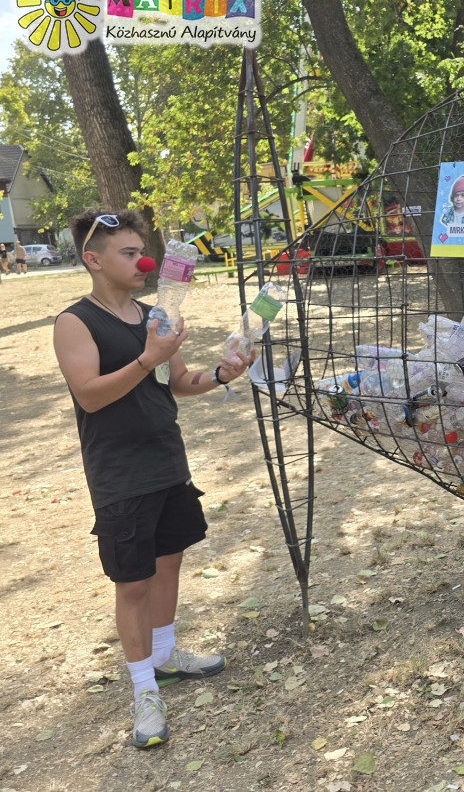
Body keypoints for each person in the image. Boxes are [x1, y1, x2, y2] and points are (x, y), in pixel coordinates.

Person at [53, 209, 253, 748]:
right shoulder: (74, 322)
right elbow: (91, 395)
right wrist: (147, 358)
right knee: (134, 581)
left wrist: (218, 374)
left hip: (167, 459)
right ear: (93, 260)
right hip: (120, 473)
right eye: (127, 252)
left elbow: (177, 381)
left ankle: (164, 656)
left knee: (170, 560)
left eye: (142, 249)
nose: (143, 260)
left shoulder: (153, 314)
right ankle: (144, 691)